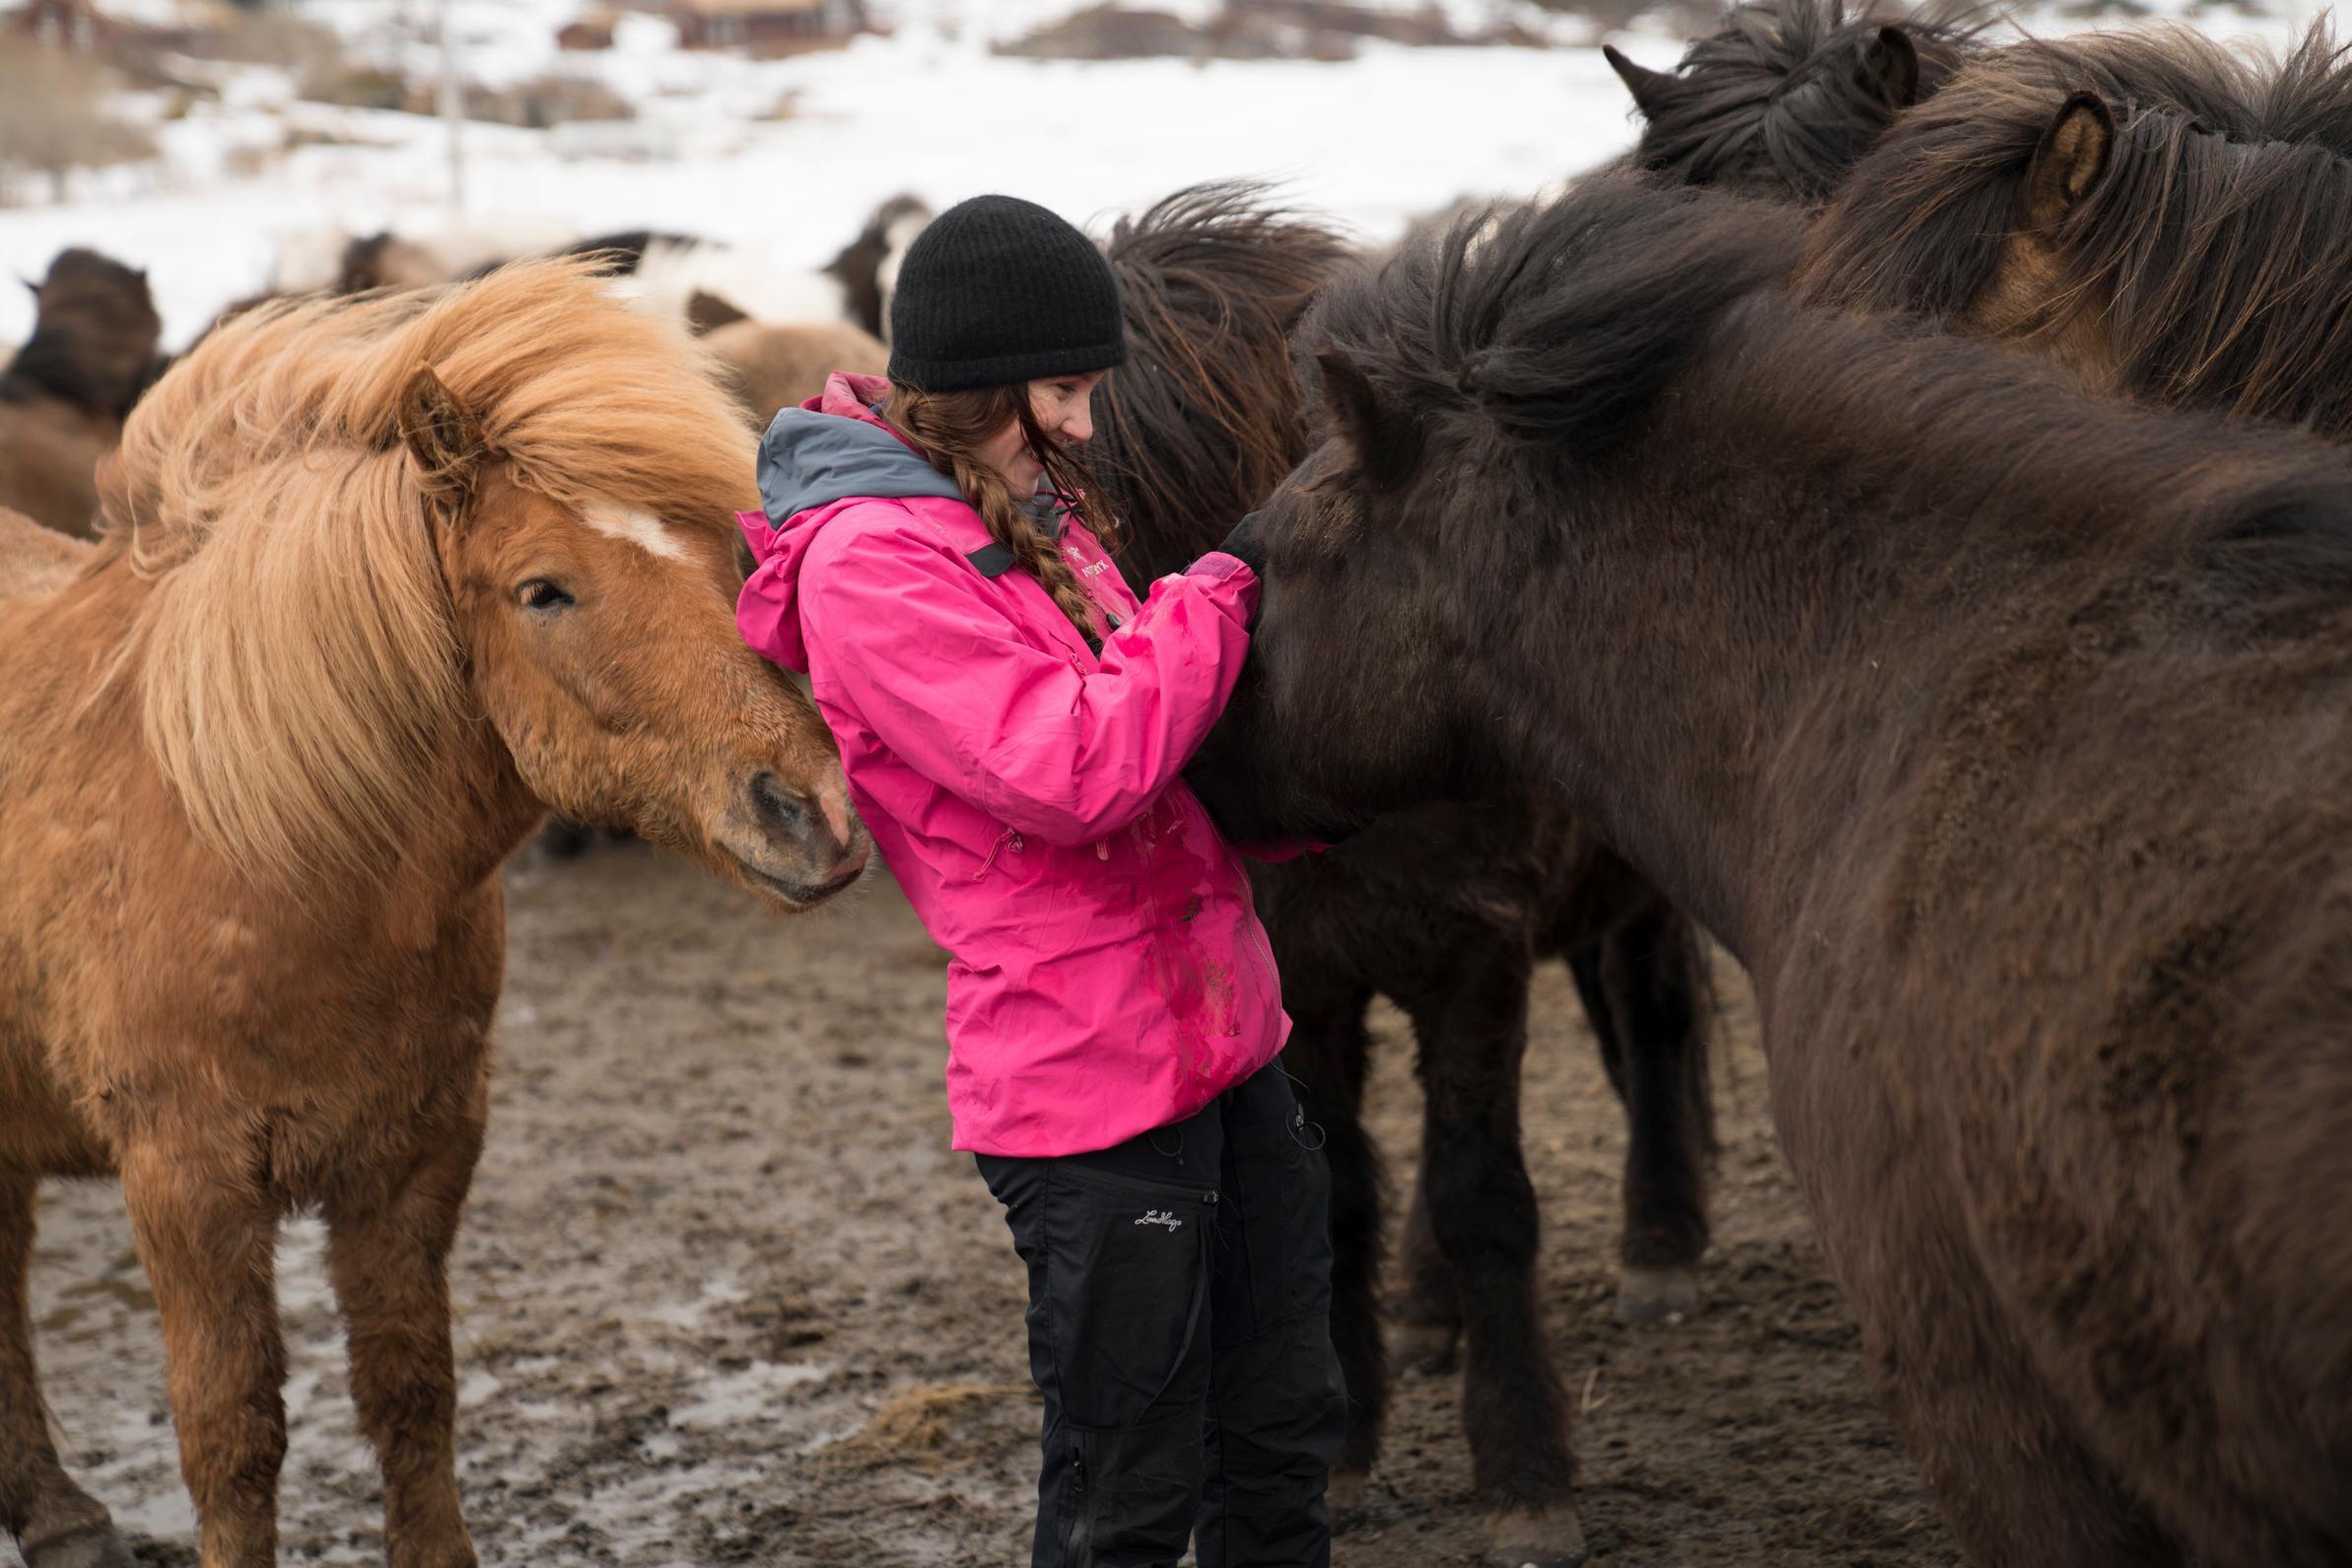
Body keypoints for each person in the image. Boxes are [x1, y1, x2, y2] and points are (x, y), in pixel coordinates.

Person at [733, 193, 1347, 1567]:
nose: (1081, 422)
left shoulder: (1019, 507)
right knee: (1126, 1485)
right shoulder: (870, 566)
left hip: (1221, 1041)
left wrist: (1305, 806)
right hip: (1086, 1095)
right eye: (1060, 390)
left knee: (1281, 1428)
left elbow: (1160, 745)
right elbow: (1073, 768)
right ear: (970, 385)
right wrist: (1220, 585)